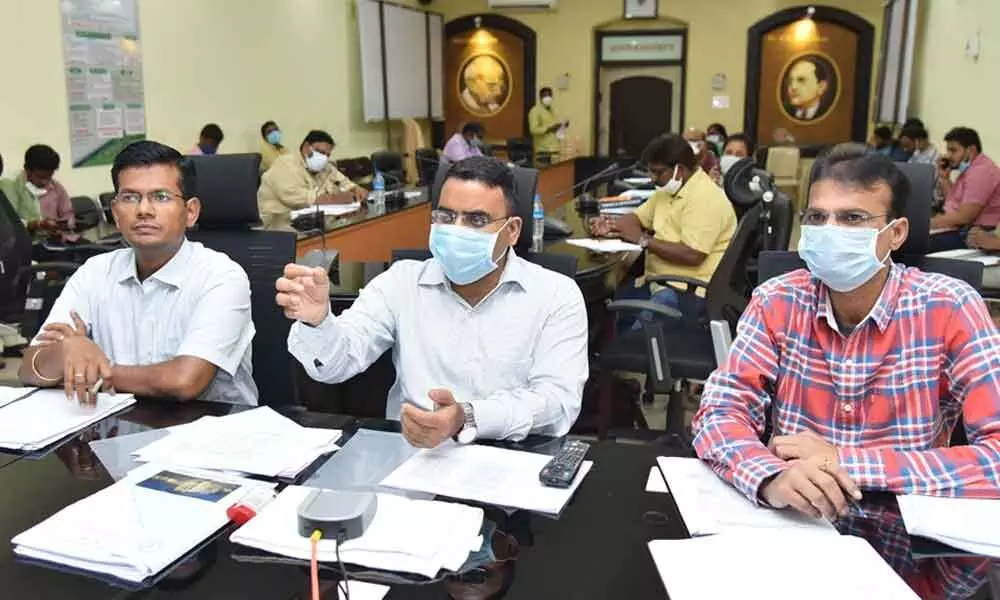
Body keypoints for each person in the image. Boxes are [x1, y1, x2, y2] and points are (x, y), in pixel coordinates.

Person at [691, 147, 1000, 599]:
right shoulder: (777, 298)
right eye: (817, 218)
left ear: (895, 233)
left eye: (852, 218)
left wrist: (844, 461)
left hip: (906, 553)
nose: (829, 232)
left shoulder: (949, 306)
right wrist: (770, 476)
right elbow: (719, 413)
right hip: (790, 535)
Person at [277, 156, 588, 446]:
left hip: (511, 455)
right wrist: (317, 322)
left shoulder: (555, 295)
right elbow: (336, 365)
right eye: (446, 216)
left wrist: (467, 417)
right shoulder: (401, 283)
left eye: (477, 220)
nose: (456, 230)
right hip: (412, 455)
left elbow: (558, 404)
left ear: (512, 230)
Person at [18, 141, 258, 406]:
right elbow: (28, 367)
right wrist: (64, 352)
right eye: (130, 197)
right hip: (117, 427)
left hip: (212, 432)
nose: (143, 210)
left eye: (161, 197)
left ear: (190, 212)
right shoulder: (94, 273)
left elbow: (184, 381)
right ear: (116, 215)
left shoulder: (221, 276)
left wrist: (92, 370)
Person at [591, 134, 737, 314]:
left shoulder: (706, 198)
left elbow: (693, 254)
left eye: (658, 172)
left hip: (685, 292)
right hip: (657, 283)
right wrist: (611, 225)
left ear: (679, 170)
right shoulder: (667, 192)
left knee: (625, 334)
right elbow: (636, 217)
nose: (652, 178)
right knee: (609, 307)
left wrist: (643, 240)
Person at [257, 129, 368, 230]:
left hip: (310, 223)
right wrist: (336, 198)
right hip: (276, 224)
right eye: (321, 152)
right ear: (306, 147)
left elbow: (345, 183)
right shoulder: (285, 164)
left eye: (328, 155)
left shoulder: (325, 167)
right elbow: (301, 199)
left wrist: (355, 188)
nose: (324, 158)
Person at [929, 127, 1000, 252]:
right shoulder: (970, 169)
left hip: (974, 233)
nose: (948, 156)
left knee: (918, 243)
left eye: (953, 150)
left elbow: (964, 217)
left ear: (971, 150)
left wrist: (929, 223)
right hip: (960, 228)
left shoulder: (981, 172)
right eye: (948, 150)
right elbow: (953, 203)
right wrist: (944, 179)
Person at [0, 144, 77, 240]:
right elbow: (8, 223)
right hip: (26, 243)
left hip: (56, 239)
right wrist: (37, 225)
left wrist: (63, 225)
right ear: (27, 169)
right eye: (40, 177)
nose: (45, 182)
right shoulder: (10, 185)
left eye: (49, 176)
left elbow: (68, 214)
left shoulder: (55, 186)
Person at [784, 57, 831, 121]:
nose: (793, 87)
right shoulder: (785, 114)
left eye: (801, 80)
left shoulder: (828, 114)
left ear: (821, 87)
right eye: (790, 81)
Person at [528, 87, 567, 164]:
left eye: (549, 95)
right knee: (544, 173)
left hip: (554, 149)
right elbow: (533, 129)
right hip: (543, 151)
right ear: (540, 97)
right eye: (545, 96)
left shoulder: (551, 110)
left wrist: (561, 126)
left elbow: (553, 126)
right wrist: (549, 128)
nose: (547, 98)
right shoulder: (535, 111)